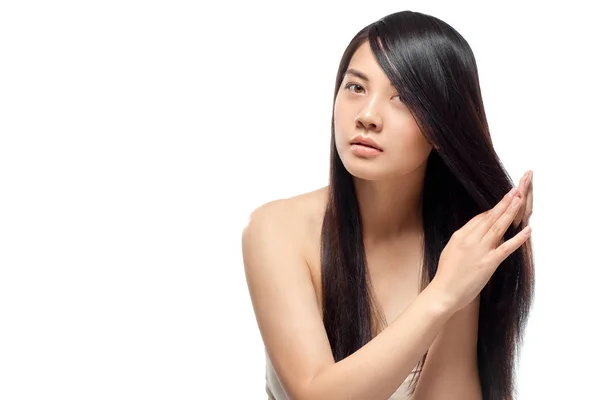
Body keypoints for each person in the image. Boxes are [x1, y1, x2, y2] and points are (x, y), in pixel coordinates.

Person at [242, 10, 535, 400]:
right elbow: (315, 394)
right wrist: (443, 292)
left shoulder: (457, 247)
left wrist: (471, 274)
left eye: (402, 97)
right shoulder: (277, 229)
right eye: (356, 88)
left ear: (443, 125)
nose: (366, 117)